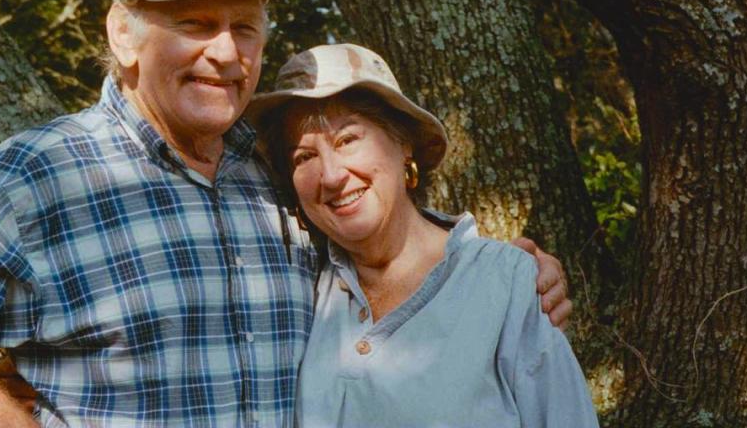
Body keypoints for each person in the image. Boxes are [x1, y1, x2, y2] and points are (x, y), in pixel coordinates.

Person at [0, 0, 571, 427]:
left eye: (244, 28)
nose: (225, 52)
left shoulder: (274, 171)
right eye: (195, 23)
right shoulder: (44, 172)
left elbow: (381, 240)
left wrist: (508, 273)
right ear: (126, 35)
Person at [247, 43, 598, 427]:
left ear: (403, 143)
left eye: (348, 139)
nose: (331, 176)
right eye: (303, 157)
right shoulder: (303, 288)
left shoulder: (506, 282)